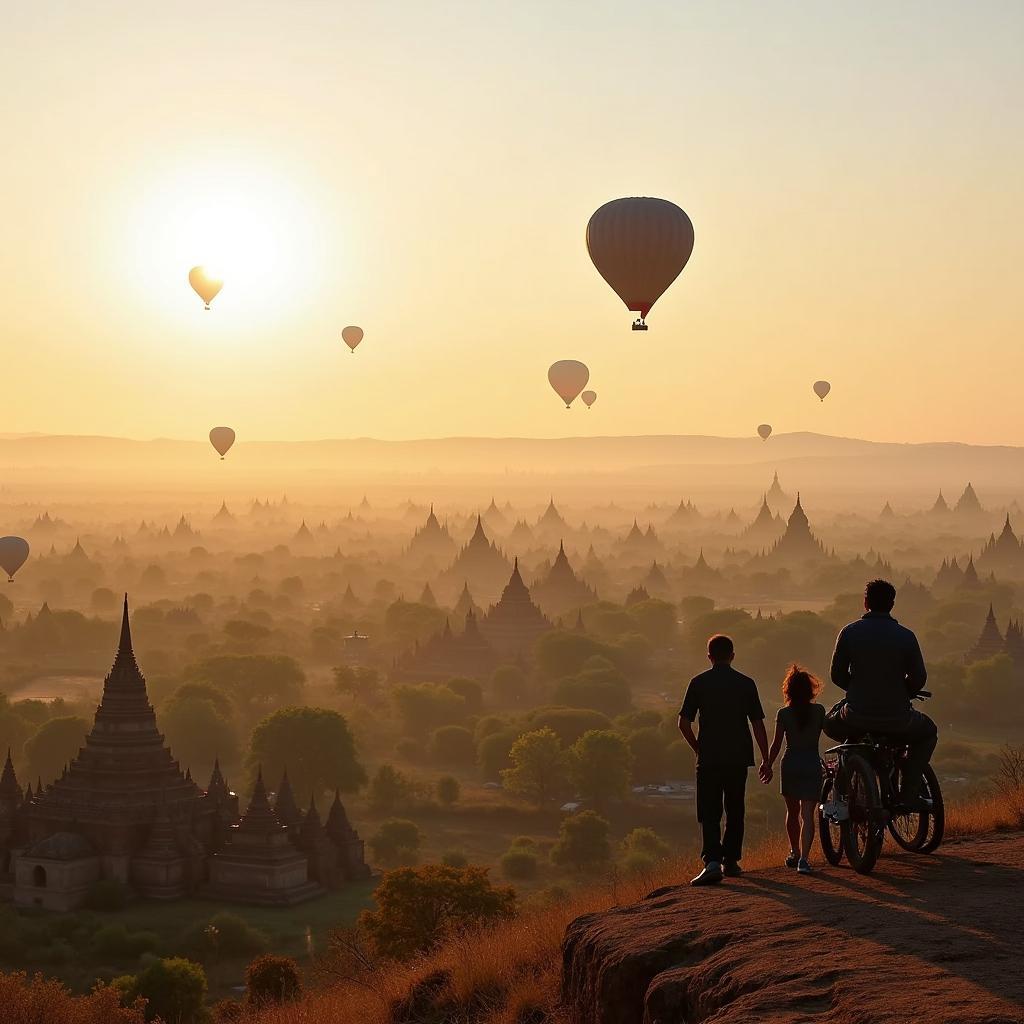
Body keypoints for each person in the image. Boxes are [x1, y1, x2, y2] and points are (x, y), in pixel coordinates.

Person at [828, 579, 936, 810]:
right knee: (928, 732)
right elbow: (918, 679)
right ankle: (908, 791)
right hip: (897, 717)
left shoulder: (849, 632)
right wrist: (901, 693)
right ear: (892, 604)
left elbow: (837, 675)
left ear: (865, 602)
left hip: (856, 714)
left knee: (829, 723)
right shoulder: (906, 636)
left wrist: (858, 689)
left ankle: (846, 776)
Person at [678, 633, 769, 886]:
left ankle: (712, 862)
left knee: (709, 811)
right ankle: (731, 861)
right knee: (735, 808)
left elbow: (684, 723)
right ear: (732, 655)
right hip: (738, 755)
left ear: (709, 657)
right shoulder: (746, 683)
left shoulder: (698, 683)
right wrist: (766, 758)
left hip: (709, 756)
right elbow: (758, 724)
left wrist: (697, 747)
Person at [763, 665, 826, 875]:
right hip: (811, 763)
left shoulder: (784, 714)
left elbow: (776, 744)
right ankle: (805, 860)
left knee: (792, 812)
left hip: (790, 764)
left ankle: (794, 851)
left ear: (788, 690)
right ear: (810, 690)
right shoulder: (819, 711)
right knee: (808, 815)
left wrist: (768, 764)